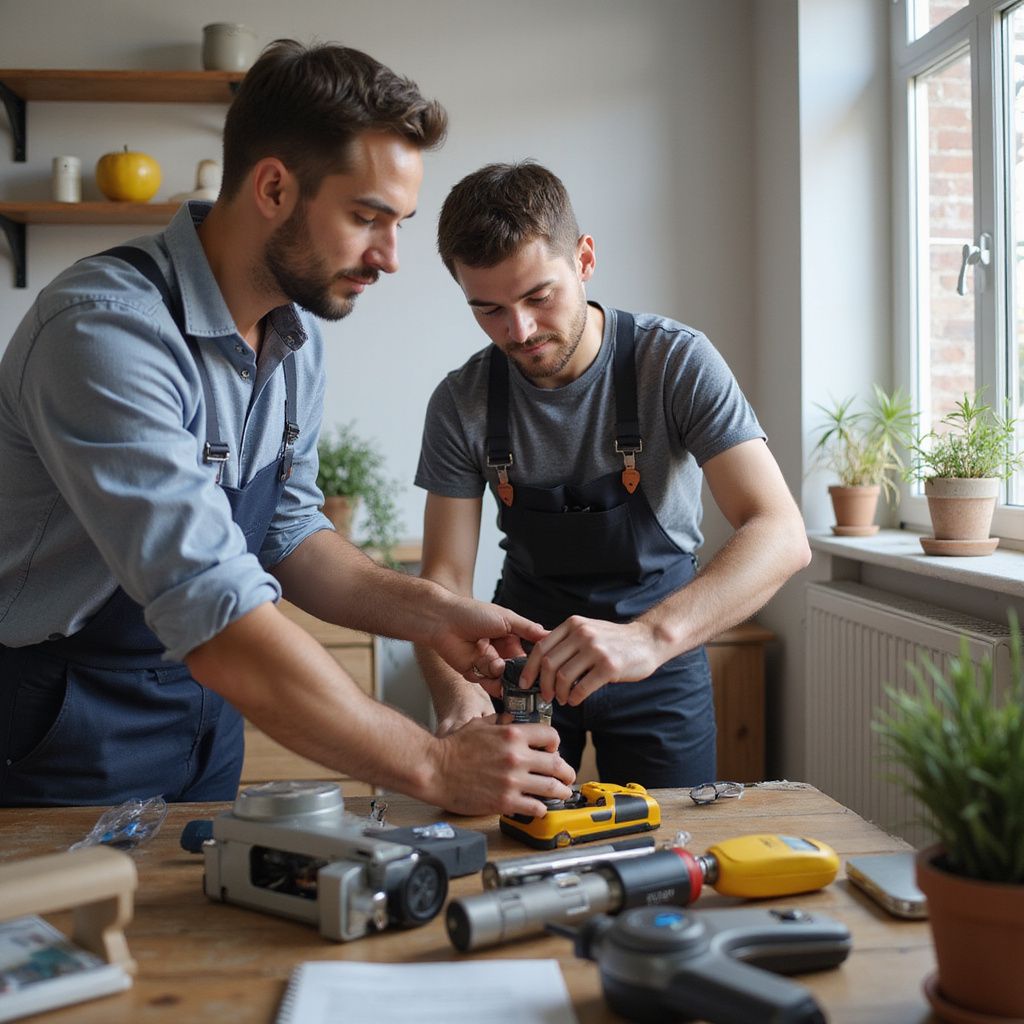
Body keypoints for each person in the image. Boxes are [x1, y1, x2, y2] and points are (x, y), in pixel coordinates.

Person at [0, 44, 575, 813]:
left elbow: (287, 532)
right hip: (63, 716)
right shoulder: (104, 332)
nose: (391, 257)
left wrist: (431, 615)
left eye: (398, 222)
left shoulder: (294, 335)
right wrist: (434, 766)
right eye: (368, 217)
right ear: (273, 186)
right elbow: (212, 605)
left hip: (206, 711)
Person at [414, 161, 810, 788]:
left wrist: (650, 638)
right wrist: (458, 694)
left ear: (585, 259)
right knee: (517, 849)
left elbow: (781, 532)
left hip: (660, 658)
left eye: (539, 297)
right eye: (488, 310)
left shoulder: (675, 361)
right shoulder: (461, 401)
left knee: (667, 847)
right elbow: (444, 579)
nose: (518, 331)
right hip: (523, 664)